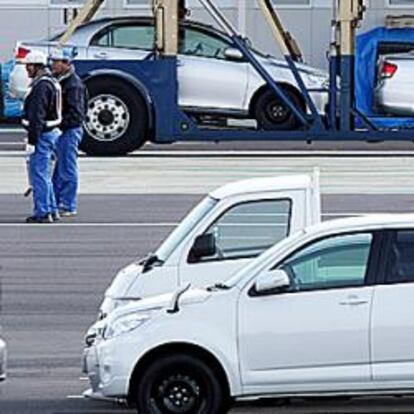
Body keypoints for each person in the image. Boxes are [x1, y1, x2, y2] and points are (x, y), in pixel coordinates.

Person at [22, 51, 62, 224]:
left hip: (43, 135)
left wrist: (32, 140)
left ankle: (43, 212)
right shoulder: (51, 82)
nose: (26, 70)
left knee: (39, 175)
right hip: (50, 133)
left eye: (28, 66)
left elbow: (37, 115)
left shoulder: (41, 86)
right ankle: (52, 208)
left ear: (35, 66)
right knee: (45, 174)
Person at [50, 48, 86, 217]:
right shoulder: (62, 81)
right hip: (65, 130)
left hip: (69, 131)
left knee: (67, 168)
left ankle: (68, 203)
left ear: (66, 63)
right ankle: (58, 201)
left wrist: (58, 125)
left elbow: (76, 113)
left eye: (56, 61)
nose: (53, 64)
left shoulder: (72, 85)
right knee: (60, 169)